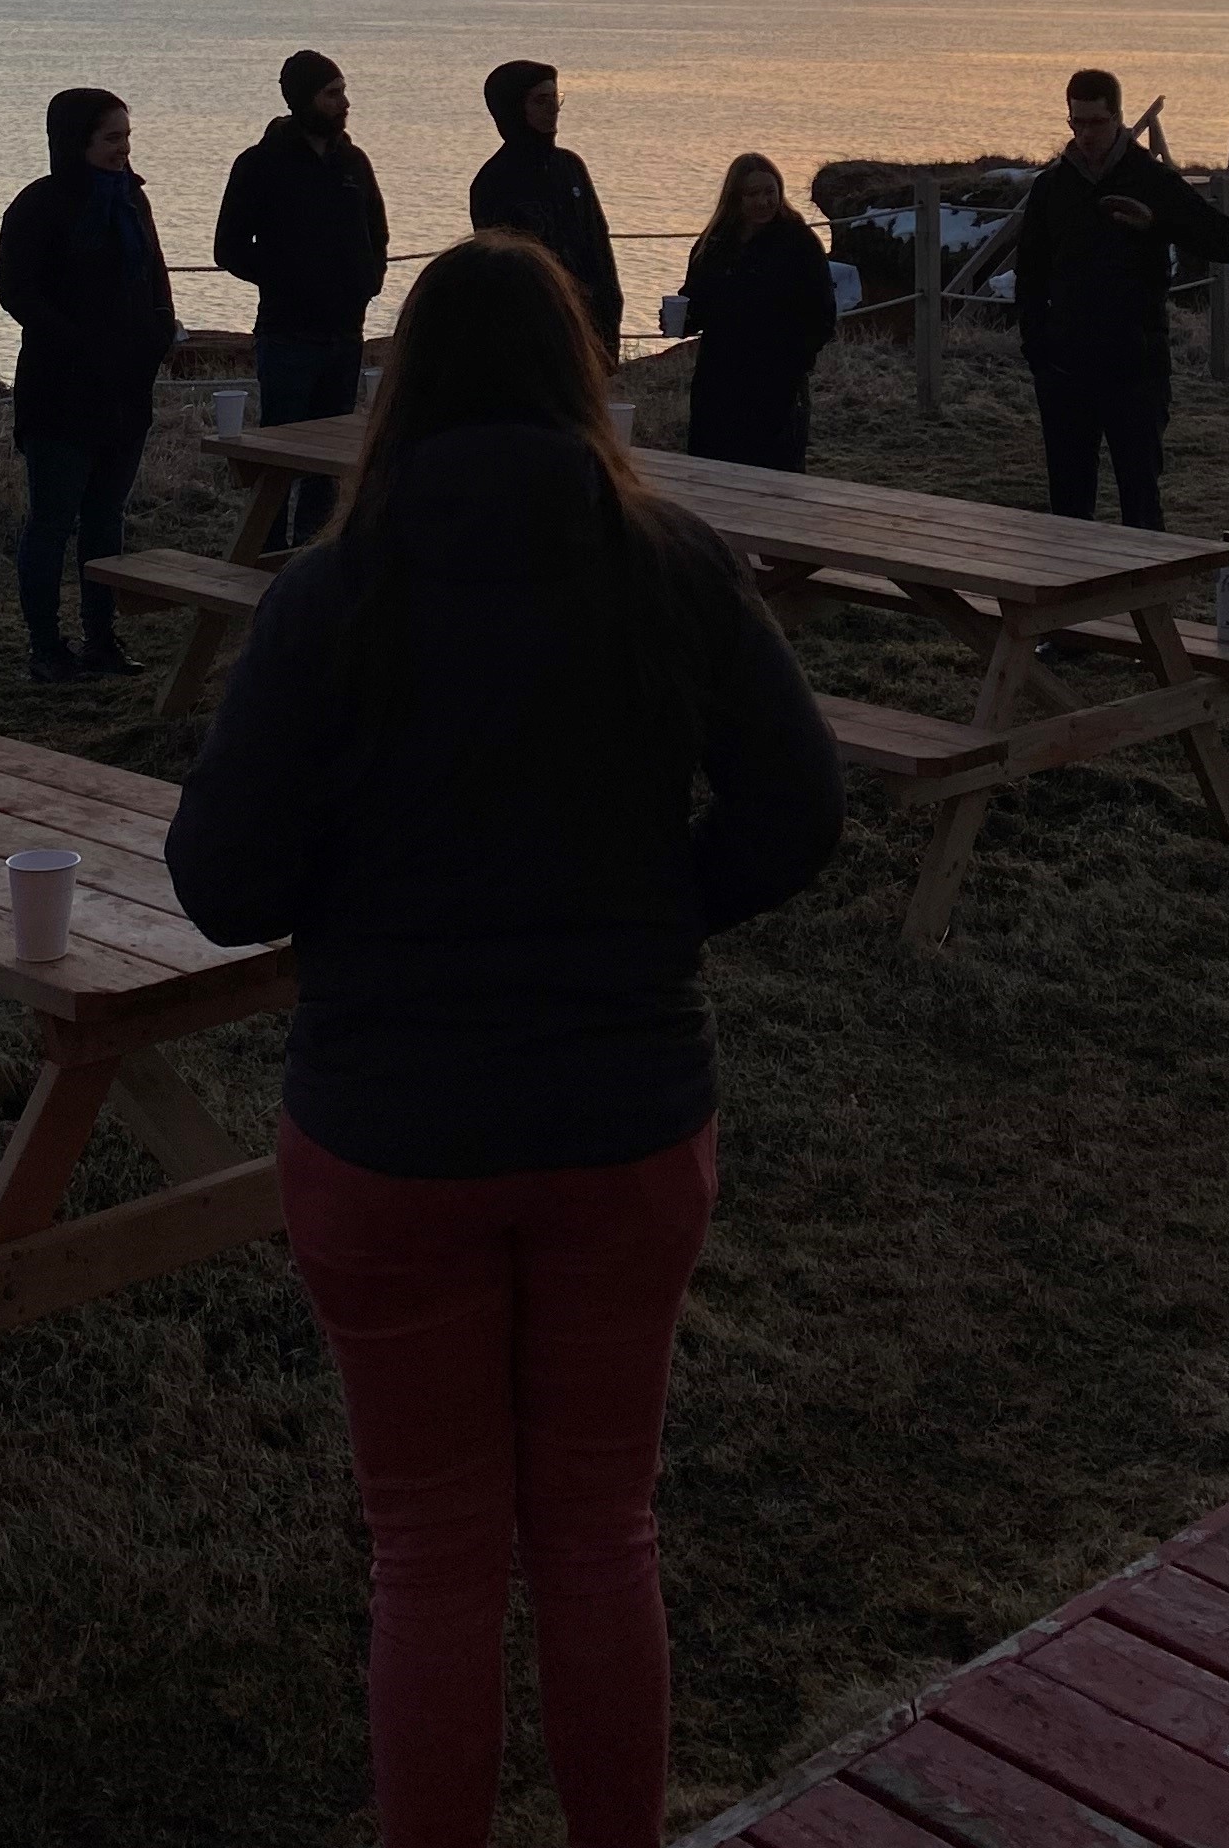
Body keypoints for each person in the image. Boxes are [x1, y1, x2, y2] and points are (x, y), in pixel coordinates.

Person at [164, 231, 843, 1848]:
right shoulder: (665, 557)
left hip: (389, 1126)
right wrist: (663, 908)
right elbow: (799, 804)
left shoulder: (333, 592)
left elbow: (216, 880)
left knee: (434, 1549)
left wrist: (355, 893)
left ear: (403, 385)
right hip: (622, 1112)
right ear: (577, 372)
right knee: (599, 1528)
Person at [0, 88, 180, 682]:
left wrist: (157, 333)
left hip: (125, 388)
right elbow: (17, 292)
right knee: (52, 520)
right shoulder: (38, 206)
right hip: (62, 390)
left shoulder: (132, 200)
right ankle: (45, 646)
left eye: (127, 137)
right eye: (112, 138)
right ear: (77, 141)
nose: (124, 149)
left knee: (107, 518)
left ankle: (103, 637)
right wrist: (79, 341)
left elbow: (155, 273)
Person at [1009, 68, 1229, 531]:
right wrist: (1037, 351)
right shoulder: (1051, 188)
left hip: (1135, 367)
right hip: (1065, 370)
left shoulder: (1150, 179)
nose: (1086, 134)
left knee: (1140, 501)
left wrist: (1157, 222)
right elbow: (1030, 276)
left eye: (1096, 122)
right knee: (1069, 511)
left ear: (1117, 117)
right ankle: (1074, 601)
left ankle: (1146, 603)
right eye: (1077, 123)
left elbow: (1226, 243)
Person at [214, 51, 390, 544]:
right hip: (287, 334)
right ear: (302, 99)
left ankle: (315, 561)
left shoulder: (354, 161)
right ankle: (263, 559)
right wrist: (286, 279)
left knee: (331, 463)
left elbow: (377, 231)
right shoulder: (259, 165)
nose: (344, 102)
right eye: (332, 93)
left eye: (344, 91)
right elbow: (227, 247)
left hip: (345, 333)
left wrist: (368, 280)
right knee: (278, 457)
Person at [678, 154, 837, 471]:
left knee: (774, 477)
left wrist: (795, 362)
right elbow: (697, 301)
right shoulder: (713, 244)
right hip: (719, 379)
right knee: (713, 470)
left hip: (776, 383)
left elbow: (822, 315)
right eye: (753, 194)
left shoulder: (798, 243)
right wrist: (680, 319)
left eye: (770, 191)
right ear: (735, 198)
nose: (764, 202)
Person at [468, 61, 623, 360]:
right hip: (532, 328)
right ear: (514, 108)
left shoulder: (570, 167)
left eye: (555, 98)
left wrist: (609, 319)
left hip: (587, 318)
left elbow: (599, 246)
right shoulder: (493, 182)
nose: (553, 108)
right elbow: (498, 270)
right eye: (541, 100)